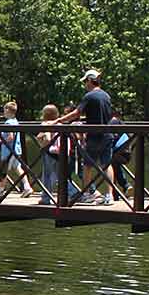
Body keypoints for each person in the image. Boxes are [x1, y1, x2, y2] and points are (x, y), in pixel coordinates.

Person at [55, 70, 116, 206]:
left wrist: (58, 120)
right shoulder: (106, 96)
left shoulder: (89, 96)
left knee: (87, 166)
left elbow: (76, 113)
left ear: (90, 80)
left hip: (94, 135)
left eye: (85, 81)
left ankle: (88, 194)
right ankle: (109, 195)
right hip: (107, 134)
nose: (84, 84)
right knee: (107, 165)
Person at [0, 101, 31, 197]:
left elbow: (10, 137)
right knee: (18, 168)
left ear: (8, 110)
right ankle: (27, 187)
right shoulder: (15, 121)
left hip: (9, 150)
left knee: (3, 170)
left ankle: (0, 190)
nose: (3, 112)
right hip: (17, 149)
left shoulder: (8, 123)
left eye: (4, 110)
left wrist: (0, 140)